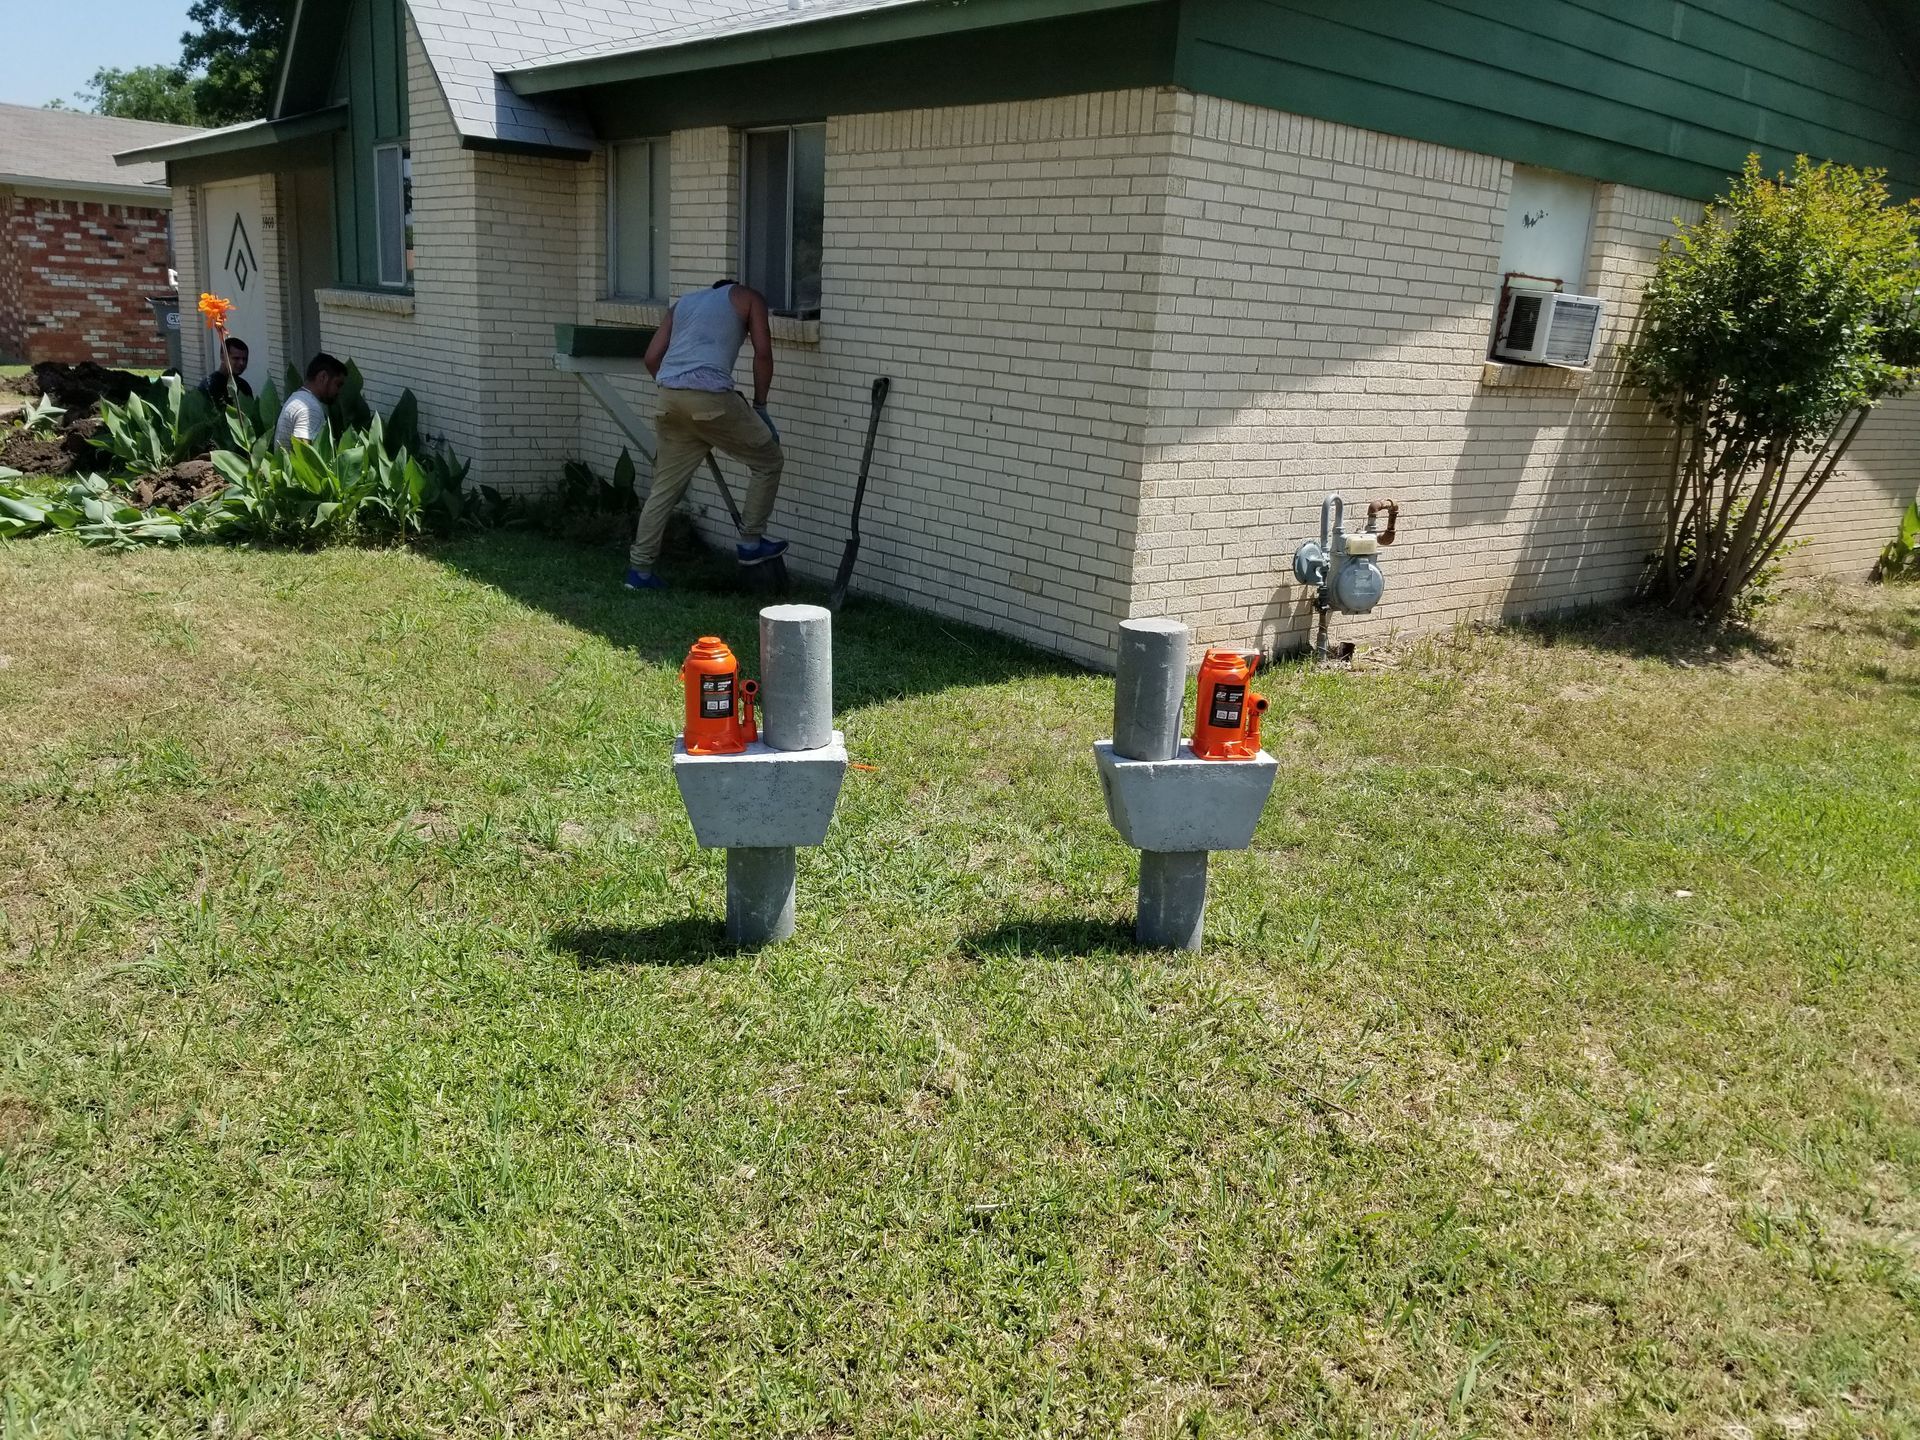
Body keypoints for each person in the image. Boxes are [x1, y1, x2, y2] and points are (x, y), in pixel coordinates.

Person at [626, 279, 788, 591]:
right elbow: (763, 354)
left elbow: (651, 359)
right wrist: (760, 407)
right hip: (711, 398)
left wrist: (678, 394)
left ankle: (640, 572)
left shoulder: (683, 304)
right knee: (769, 460)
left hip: (669, 398)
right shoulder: (749, 297)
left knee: (664, 490)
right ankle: (751, 543)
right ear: (734, 288)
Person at [275, 354, 349, 450]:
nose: (338, 392)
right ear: (323, 377)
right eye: (338, 384)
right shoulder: (310, 408)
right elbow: (304, 456)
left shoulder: (297, 397)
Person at [198, 337, 253, 406]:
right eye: (236, 358)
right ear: (222, 357)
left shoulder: (244, 387)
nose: (241, 363)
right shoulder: (209, 387)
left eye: (244, 359)